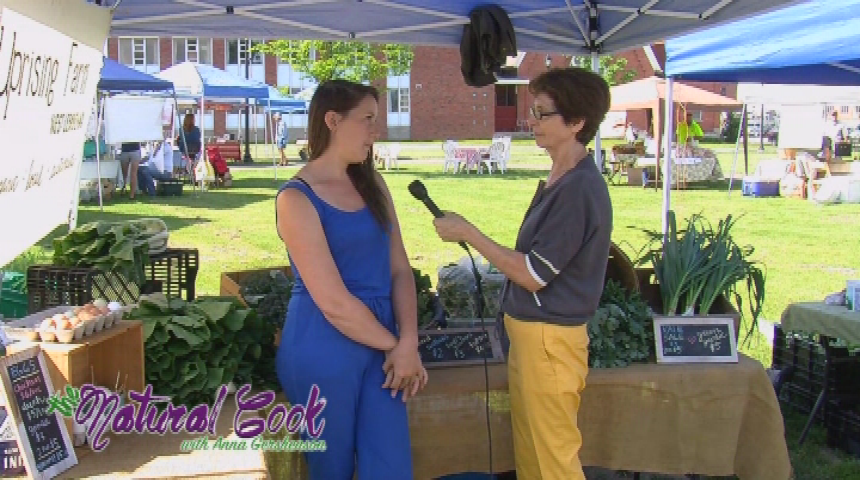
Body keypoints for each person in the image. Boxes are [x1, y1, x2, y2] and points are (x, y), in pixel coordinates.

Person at [433, 67, 613, 480]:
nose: (529, 121)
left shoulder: (579, 188)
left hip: (550, 341)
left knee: (553, 460)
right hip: (533, 337)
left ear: (577, 123)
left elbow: (533, 274)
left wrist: (468, 233)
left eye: (541, 113)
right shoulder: (560, 179)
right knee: (532, 454)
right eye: (532, 112)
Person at [274, 79, 429, 480]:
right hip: (322, 346)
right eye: (367, 120)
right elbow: (334, 303)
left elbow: (400, 270)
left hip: (384, 345)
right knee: (332, 470)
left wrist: (408, 341)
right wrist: (399, 347)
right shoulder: (296, 198)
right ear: (332, 120)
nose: (376, 132)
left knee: (390, 466)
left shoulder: (373, 185)